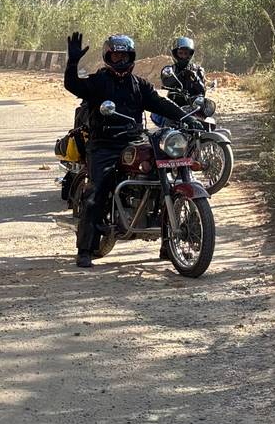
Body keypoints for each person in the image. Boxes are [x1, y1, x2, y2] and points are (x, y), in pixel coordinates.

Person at [64, 32, 186, 268]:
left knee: (162, 178)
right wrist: (72, 62)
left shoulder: (140, 86)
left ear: (131, 57)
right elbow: (73, 85)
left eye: (124, 56)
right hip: (104, 144)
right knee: (97, 190)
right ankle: (85, 248)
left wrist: (188, 118)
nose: (120, 61)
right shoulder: (98, 82)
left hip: (134, 141)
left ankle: (168, 244)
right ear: (108, 57)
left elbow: (161, 103)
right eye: (115, 56)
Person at [170, 36, 206, 105]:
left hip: (193, 105)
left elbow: (203, 92)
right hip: (174, 105)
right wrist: (180, 76)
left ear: (190, 55)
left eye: (186, 53)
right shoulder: (171, 70)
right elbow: (166, 83)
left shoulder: (198, 70)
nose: (183, 56)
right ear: (175, 54)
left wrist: (195, 78)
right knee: (156, 114)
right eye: (180, 53)